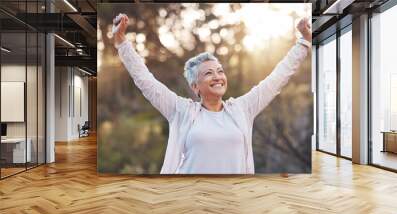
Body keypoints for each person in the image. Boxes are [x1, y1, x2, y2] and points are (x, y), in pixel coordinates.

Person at [114, 14, 311, 174]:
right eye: (208, 73)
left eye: (220, 71)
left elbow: (277, 78)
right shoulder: (181, 110)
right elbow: (146, 81)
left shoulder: (242, 109)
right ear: (195, 86)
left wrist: (303, 42)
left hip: (233, 200)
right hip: (189, 201)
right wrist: (122, 42)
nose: (217, 77)